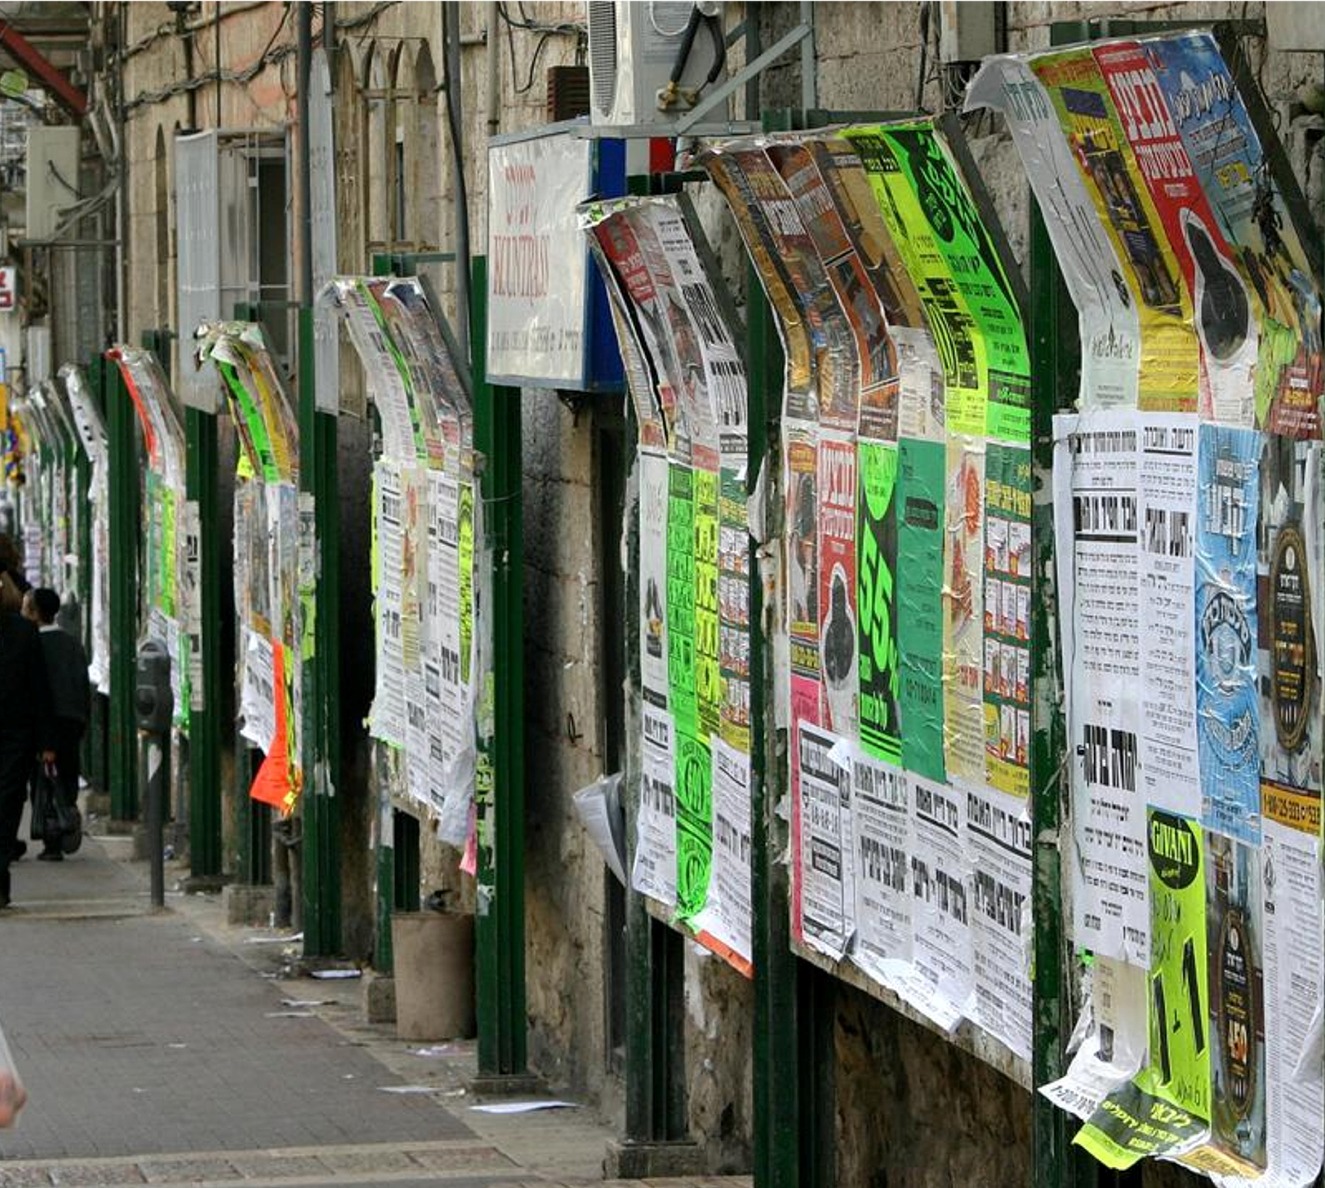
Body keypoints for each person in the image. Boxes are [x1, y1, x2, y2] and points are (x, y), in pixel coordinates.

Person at [23, 588, 89, 861]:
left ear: (35, 613)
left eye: (26, 607)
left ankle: (52, 836)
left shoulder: (32, 645)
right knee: (66, 776)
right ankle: (66, 821)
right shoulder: (72, 643)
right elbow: (82, 683)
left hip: (43, 724)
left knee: (43, 781)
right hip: (71, 721)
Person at [0, 603, 53, 905]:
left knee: (7, 804)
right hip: (15, 736)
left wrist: (47, 743)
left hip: (14, 737)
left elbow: (39, 688)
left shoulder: (22, 633)